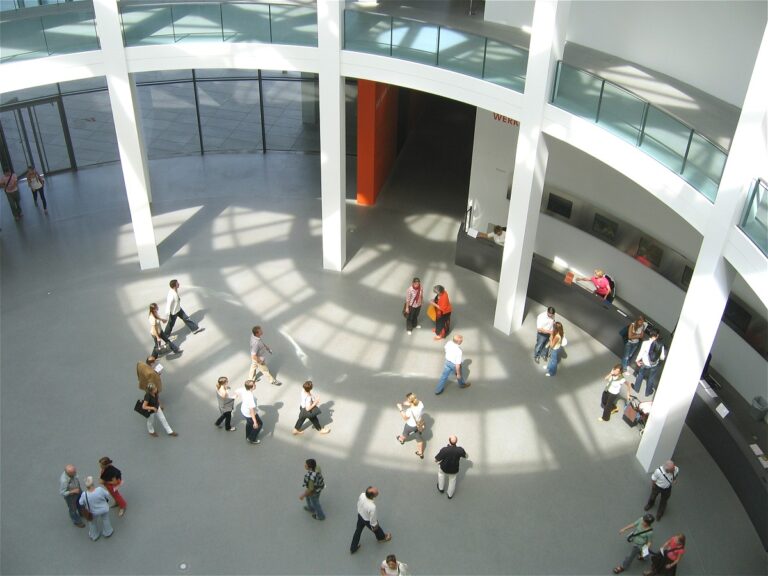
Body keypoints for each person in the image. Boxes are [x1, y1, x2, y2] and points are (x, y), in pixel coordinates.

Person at [350, 487, 392, 554]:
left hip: (360, 515)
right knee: (377, 529)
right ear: (372, 496)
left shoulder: (362, 495)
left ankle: (353, 547)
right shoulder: (372, 507)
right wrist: (374, 526)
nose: (377, 490)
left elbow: (359, 503)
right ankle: (381, 538)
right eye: (376, 492)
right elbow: (373, 520)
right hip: (367, 520)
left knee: (358, 530)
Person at [78, 476, 113, 541]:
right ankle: (108, 532)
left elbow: (80, 503)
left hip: (93, 512)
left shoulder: (84, 494)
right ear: (93, 484)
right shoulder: (99, 489)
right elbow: (107, 494)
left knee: (92, 523)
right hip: (104, 509)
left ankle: (94, 535)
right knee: (105, 519)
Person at [633, 330, 666, 396]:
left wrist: (637, 360)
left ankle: (636, 389)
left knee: (640, 375)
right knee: (651, 378)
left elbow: (641, 353)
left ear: (650, 335)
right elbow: (662, 357)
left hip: (644, 363)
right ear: (657, 336)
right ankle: (648, 392)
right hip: (654, 365)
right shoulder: (660, 345)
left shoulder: (645, 343)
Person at [395, 393, 425, 459]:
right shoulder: (421, 404)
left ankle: (401, 440)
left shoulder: (409, 410)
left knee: (405, 433)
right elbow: (416, 406)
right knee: (419, 440)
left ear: (409, 401)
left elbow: (405, 418)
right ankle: (420, 453)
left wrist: (400, 409)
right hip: (418, 425)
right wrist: (410, 404)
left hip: (410, 426)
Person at [237, 379, 262, 445]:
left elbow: (236, 391)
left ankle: (248, 435)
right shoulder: (250, 397)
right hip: (249, 413)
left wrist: (235, 396)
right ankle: (251, 438)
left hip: (243, 410)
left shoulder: (244, 389)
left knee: (249, 423)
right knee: (259, 424)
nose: (255, 385)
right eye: (254, 385)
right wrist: (255, 422)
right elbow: (252, 411)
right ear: (252, 387)